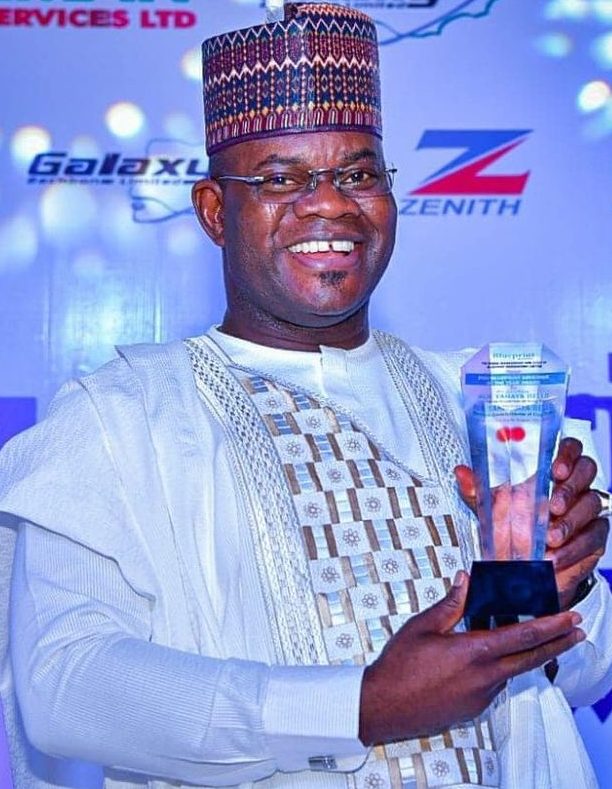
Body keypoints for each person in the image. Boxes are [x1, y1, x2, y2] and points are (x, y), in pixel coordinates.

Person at [0, 3, 611, 788]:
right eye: (280, 178)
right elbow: (66, 683)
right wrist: (358, 706)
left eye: (358, 173)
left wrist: (564, 584)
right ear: (215, 211)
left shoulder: (478, 400)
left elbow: (582, 678)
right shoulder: (120, 417)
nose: (329, 204)